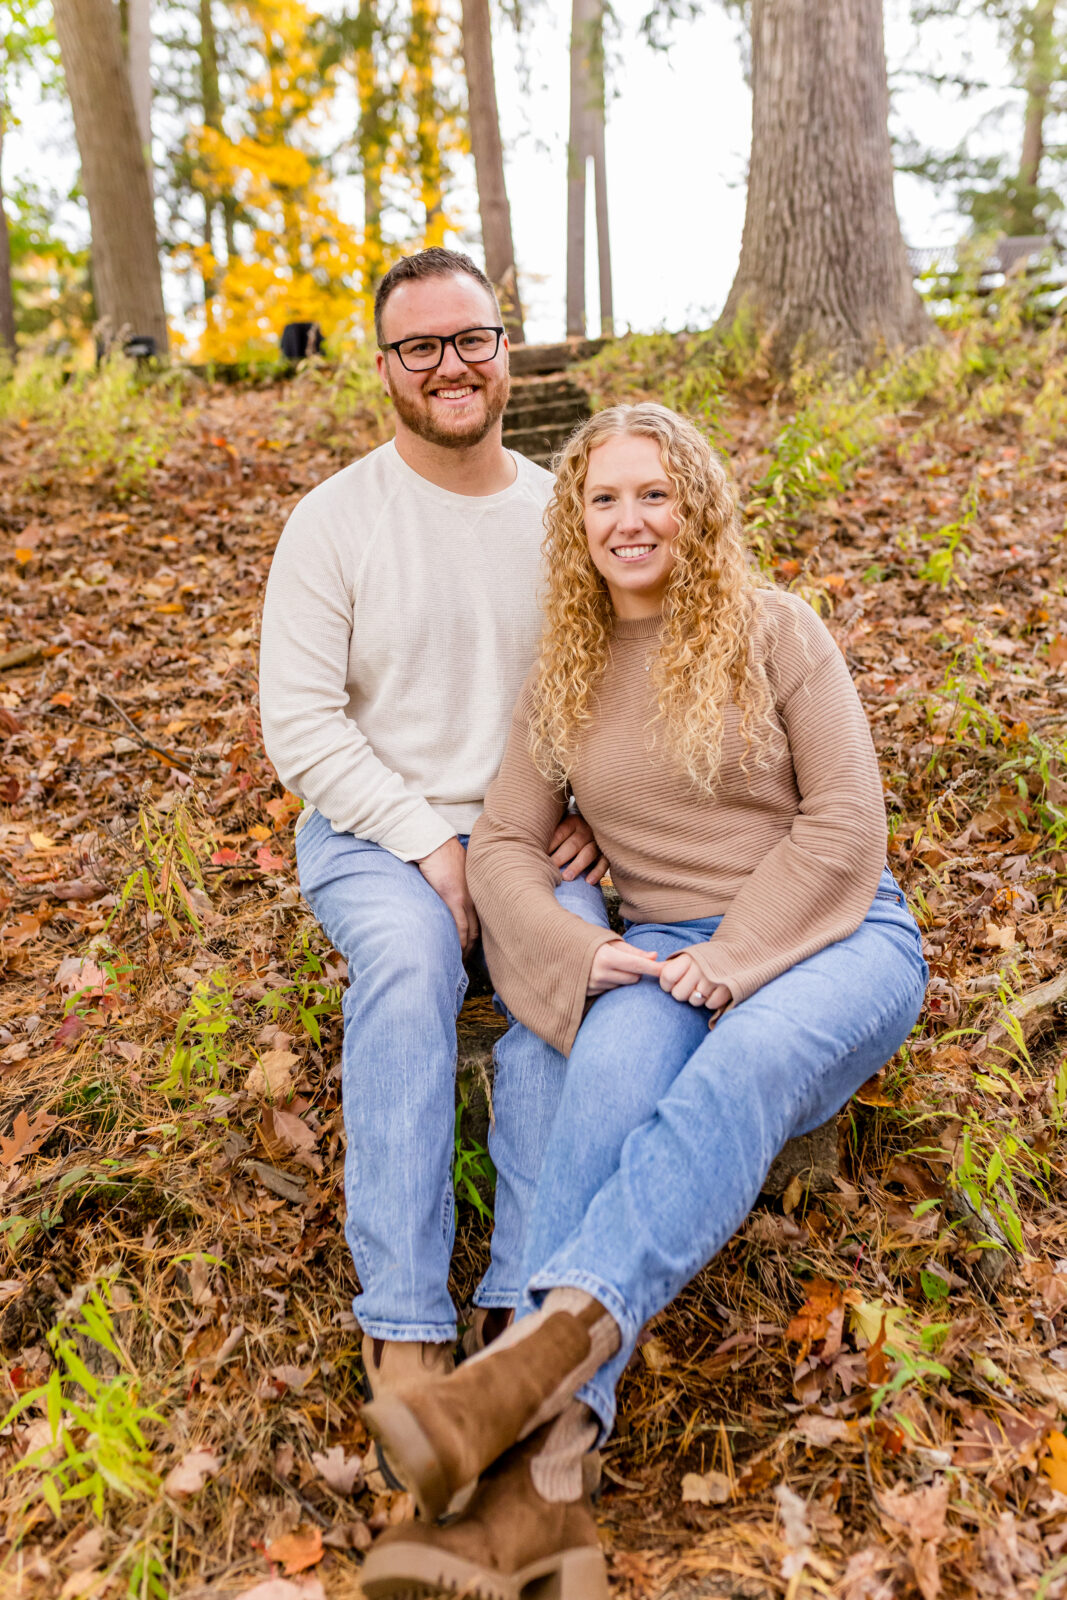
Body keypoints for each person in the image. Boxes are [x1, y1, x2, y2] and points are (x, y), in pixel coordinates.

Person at [358, 403, 928, 1599]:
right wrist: (577, 950)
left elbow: (846, 825)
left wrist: (742, 953)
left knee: (737, 1069)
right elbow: (503, 844)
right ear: (573, 520)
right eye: (603, 498)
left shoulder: (775, 629)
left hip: (830, 938)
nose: (629, 520)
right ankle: (545, 1494)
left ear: (696, 508)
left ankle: (528, 1367)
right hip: (660, 951)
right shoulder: (565, 667)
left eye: (654, 494)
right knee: (603, 1085)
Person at [258, 248, 610, 1469]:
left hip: (525, 831)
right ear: (384, 367)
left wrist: (594, 811)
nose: (450, 365)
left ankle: (517, 1308)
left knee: (570, 970)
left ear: (504, 349)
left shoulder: (561, 516)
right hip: (369, 829)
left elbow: (612, 686)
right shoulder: (333, 520)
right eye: (421, 346)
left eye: (471, 338)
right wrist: (427, 845)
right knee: (409, 965)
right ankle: (403, 1325)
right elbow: (301, 727)